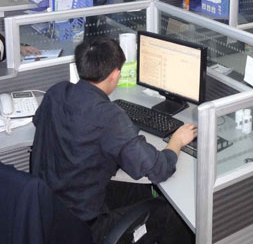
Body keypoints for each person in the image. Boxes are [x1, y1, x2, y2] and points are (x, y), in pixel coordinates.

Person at [31, 37, 197, 244]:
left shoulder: (56, 92)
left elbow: (45, 126)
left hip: (50, 208)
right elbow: (159, 170)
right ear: (115, 74)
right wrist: (176, 141)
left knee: (146, 192)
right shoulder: (109, 116)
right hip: (85, 227)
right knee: (172, 213)